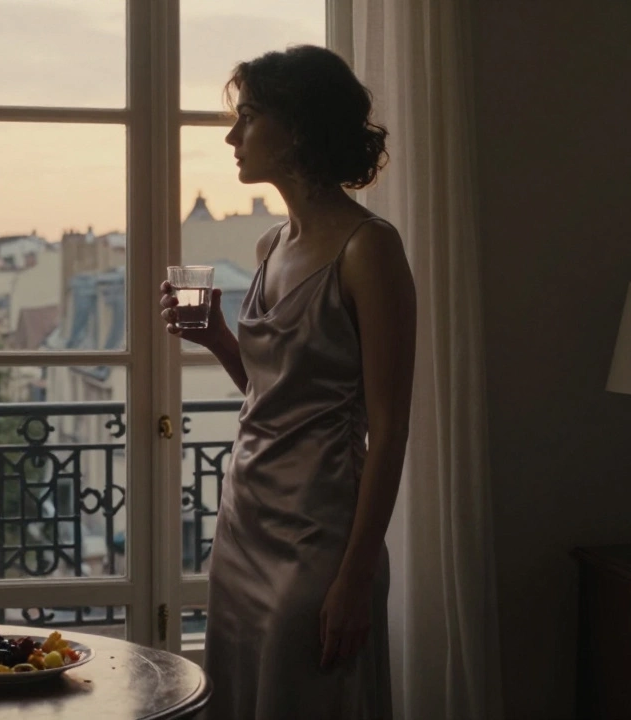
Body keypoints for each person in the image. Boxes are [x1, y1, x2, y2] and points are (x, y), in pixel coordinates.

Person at [160, 45, 415, 719]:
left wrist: (356, 576)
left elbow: (389, 428)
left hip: (320, 536)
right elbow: (274, 396)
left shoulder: (369, 248)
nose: (232, 137)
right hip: (245, 520)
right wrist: (219, 338)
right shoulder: (270, 245)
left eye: (248, 117)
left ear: (297, 127)